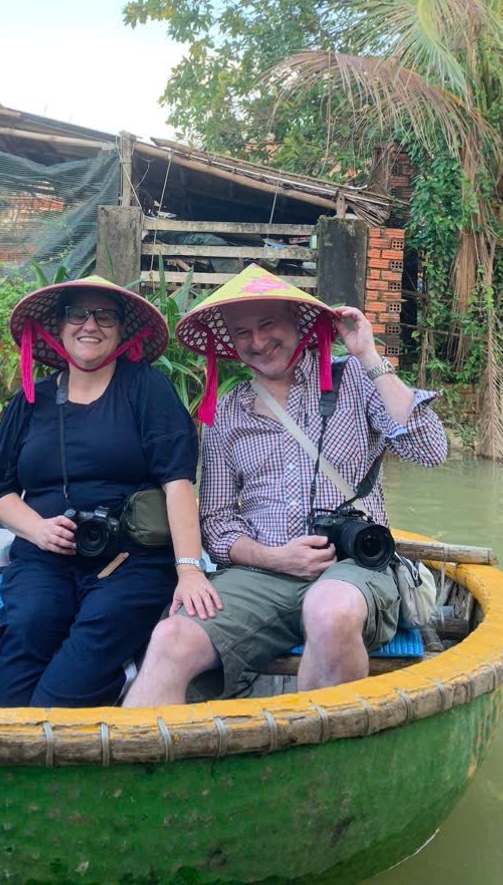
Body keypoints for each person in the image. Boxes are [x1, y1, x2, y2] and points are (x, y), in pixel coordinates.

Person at [124, 265, 447, 707]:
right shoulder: (227, 413)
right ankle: (144, 768)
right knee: (170, 635)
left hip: (354, 567)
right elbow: (216, 523)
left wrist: (370, 357)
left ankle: (318, 758)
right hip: (263, 572)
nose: (257, 342)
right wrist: (274, 557)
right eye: (242, 333)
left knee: (329, 610)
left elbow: (430, 450)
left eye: (268, 324)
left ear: (298, 323)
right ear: (229, 345)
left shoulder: (354, 379)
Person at [0, 275, 218, 708]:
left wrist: (189, 570)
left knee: (95, 638)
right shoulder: (30, 400)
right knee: (27, 625)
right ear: (59, 326)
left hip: (130, 560)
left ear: (121, 330)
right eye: (78, 314)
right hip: (44, 557)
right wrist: (37, 529)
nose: (90, 324)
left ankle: (54, 735)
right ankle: (10, 744)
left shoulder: (146, 388)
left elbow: (178, 482)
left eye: (104, 315)